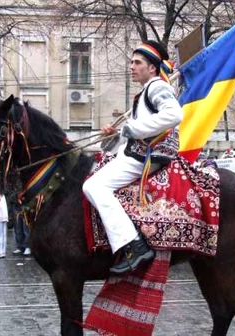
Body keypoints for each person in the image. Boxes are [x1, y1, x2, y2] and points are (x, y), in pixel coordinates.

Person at [83, 40, 181, 274]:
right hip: (137, 152)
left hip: (148, 156)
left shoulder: (157, 87)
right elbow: (132, 135)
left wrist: (130, 129)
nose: (131, 66)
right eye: (132, 62)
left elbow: (174, 114)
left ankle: (133, 244)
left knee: (94, 186)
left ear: (152, 68)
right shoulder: (146, 91)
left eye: (137, 62)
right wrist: (114, 136)